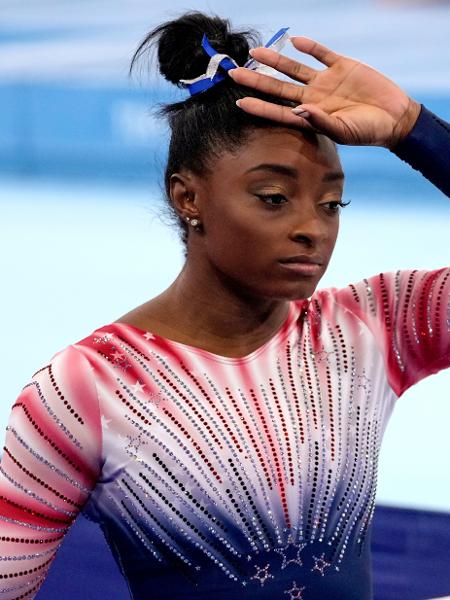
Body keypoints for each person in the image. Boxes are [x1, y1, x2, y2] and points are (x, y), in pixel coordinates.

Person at [0, 11, 448, 600]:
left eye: (332, 204)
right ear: (187, 195)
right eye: (273, 197)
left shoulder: (373, 324)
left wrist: (414, 129)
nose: (311, 228)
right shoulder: (86, 388)